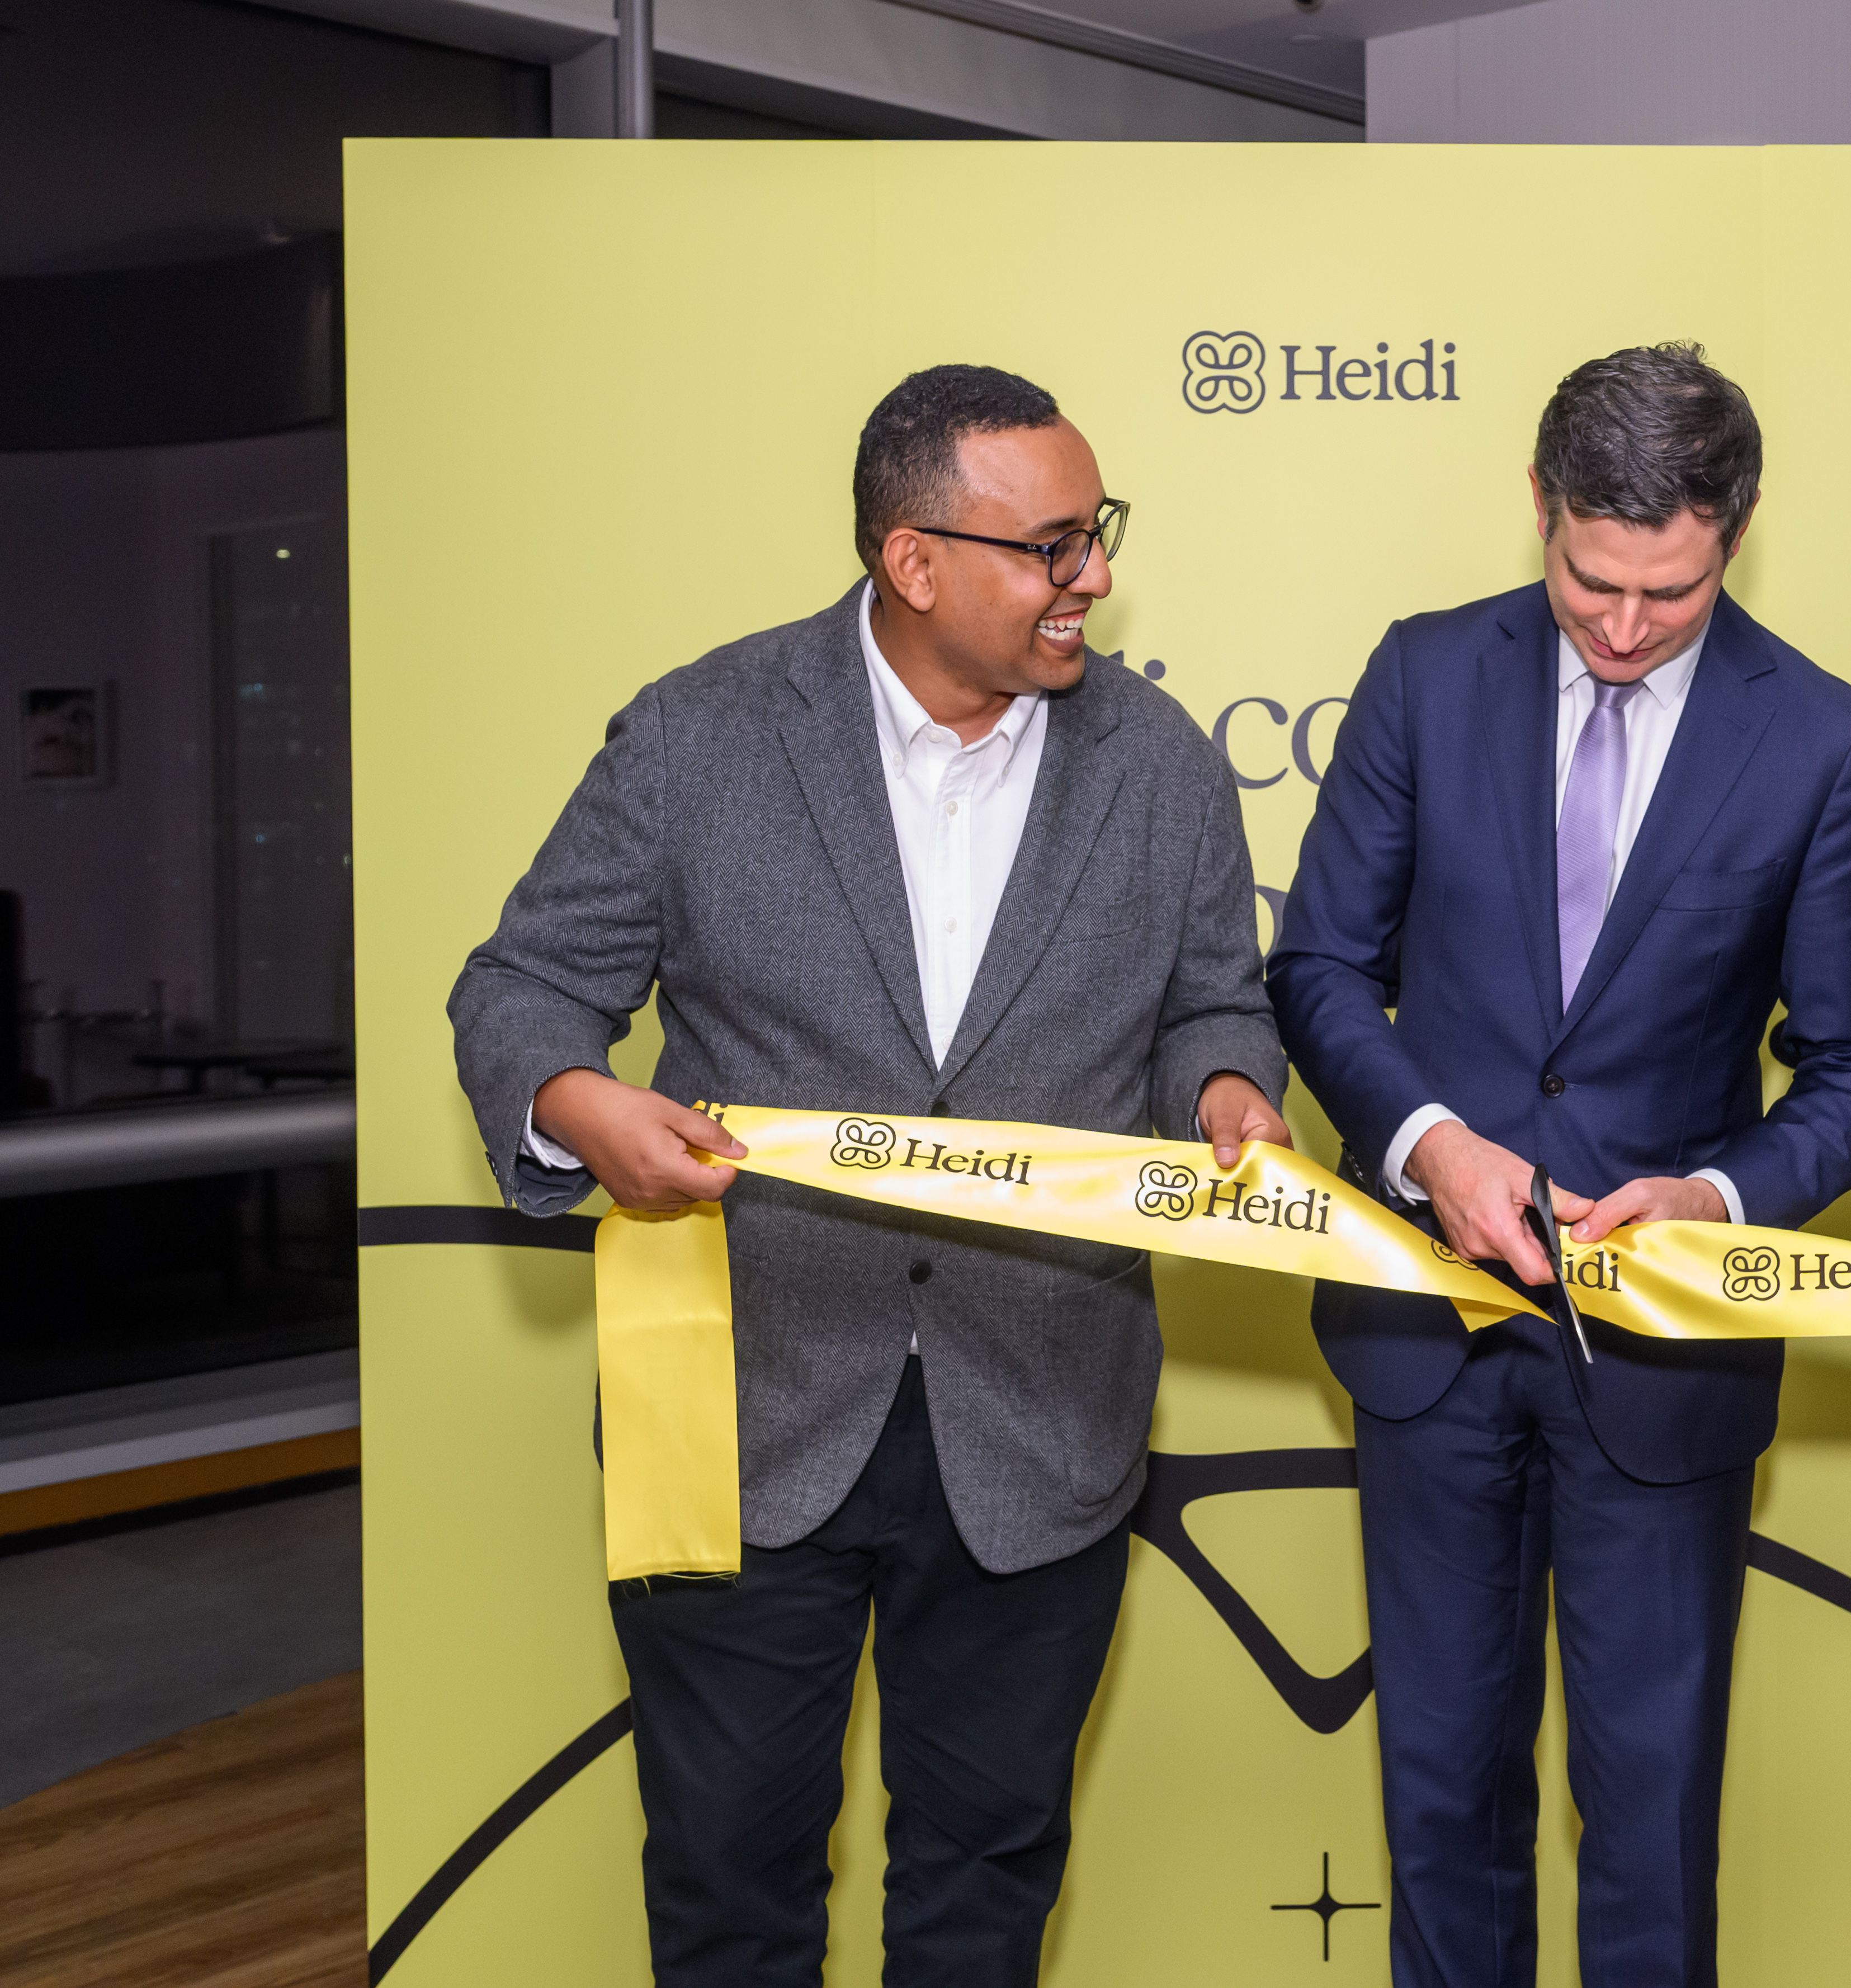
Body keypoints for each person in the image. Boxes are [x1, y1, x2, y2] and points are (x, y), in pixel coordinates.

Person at [447, 364, 1289, 1987]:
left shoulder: (1161, 760)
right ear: (913, 561)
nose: (1093, 576)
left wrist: (1230, 1092)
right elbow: (521, 989)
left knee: (983, 1888)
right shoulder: (700, 731)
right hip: (747, 1420)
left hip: (1043, 1420)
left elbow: (1208, 1001)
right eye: (1053, 544)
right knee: (730, 1883)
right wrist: (576, 1103)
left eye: (1095, 533)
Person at [1268, 343, 1851, 1987]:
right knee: (1439, 1796)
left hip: (1662, 1357)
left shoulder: (1825, 740)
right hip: (1426, 1336)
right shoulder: (1422, 676)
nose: (1622, 628)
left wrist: (1717, 1200)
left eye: (1670, 593)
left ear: (1735, 536)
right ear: (1540, 509)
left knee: (1649, 1819)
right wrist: (1430, 1144)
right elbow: (1321, 968)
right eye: (1590, 580)